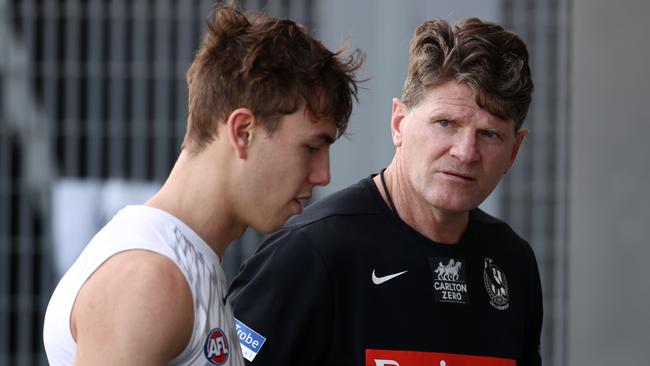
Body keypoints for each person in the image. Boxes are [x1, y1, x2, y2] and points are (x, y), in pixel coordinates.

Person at [43, 4, 362, 365]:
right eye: (312, 147)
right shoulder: (148, 281)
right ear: (243, 132)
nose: (323, 175)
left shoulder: (183, 262)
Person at [228, 17, 542, 366]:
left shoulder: (513, 264)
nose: (465, 152)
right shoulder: (311, 254)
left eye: (490, 134)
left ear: (514, 151)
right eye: (445, 123)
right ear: (399, 124)